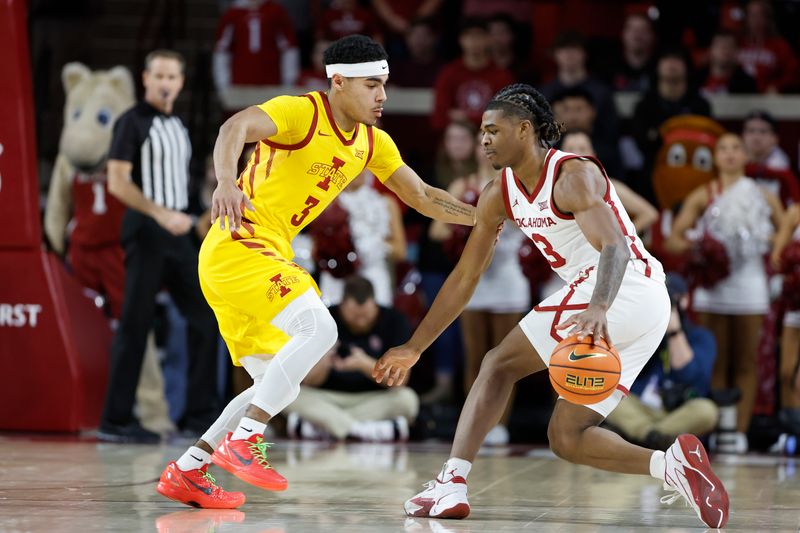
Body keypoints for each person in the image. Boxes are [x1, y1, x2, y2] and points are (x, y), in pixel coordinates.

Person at [373, 83, 729, 528]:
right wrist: (416, 346)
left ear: (524, 130)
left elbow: (614, 247)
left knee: (498, 364)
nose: (483, 139)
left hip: (621, 286)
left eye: (491, 130)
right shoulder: (498, 193)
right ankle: (674, 466)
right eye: (481, 132)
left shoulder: (572, 175)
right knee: (567, 437)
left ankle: (451, 483)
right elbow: (465, 278)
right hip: (642, 308)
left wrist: (599, 306)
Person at [155, 35, 476, 509]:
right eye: (372, 85)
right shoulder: (300, 112)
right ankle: (244, 441)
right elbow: (234, 127)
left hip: (262, 257)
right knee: (320, 329)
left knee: (278, 382)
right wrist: (226, 180)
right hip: (238, 246)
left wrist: (485, 217)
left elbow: (425, 197)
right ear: (338, 82)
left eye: (384, 85)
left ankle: (189, 469)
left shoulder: (372, 143)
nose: (382, 96)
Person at [99, 50, 220, 443]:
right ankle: (115, 420)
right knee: (136, 324)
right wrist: (158, 213)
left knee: (206, 318)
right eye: (159, 75)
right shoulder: (132, 122)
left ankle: (198, 415)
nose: (166, 82)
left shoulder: (179, 125)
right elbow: (117, 182)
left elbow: (178, 186)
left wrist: (192, 217)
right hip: (148, 230)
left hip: (178, 232)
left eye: (172, 76)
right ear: (145, 78)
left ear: (181, 82)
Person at [665, 133, 783, 452]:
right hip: (713, 288)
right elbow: (673, 238)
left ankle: (740, 430)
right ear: (715, 157)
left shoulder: (762, 195)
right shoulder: (703, 194)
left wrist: (764, 241)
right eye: (723, 149)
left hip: (751, 286)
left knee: (747, 359)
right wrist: (701, 247)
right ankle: (718, 429)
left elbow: (785, 235)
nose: (730, 154)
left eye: (736, 148)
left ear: (746, 156)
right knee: (715, 359)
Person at [430, 131, 529, 445]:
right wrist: (466, 225)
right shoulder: (464, 185)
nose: (486, 148)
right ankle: (474, 425)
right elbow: (436, 230)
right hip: (475, 279)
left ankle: (500, 424)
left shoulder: (519, 185)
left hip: (508, 278)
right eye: (481, 143)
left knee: (503, 360)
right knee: (474, 357)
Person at [285, 276, 418, 441]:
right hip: (327, 396)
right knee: (289, 396)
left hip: (372, 399)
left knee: (407, 399)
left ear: (374, 304)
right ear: (342, 305)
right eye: (355, 316)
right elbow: (308, 381)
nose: (361, 322)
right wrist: (326, 357)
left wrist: (363, 364)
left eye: (366, 315)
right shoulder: (324, 319)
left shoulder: (395, 321)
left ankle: (330, 427)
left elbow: (401, 380)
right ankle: (361, 430)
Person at [605, 273, 719, 451]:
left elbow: (689, 374)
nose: (666, 305)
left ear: (685, 300)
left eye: (671, 300)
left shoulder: (701, 337)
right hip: (640, 406)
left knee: (707, 410)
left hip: (679, 412)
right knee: (605, 395)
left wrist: (674, 331)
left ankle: (642, 436)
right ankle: (654, 437)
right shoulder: (643, 330)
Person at [559, 130, 658, 236]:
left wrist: (623, 239)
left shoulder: (610, 186)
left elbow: (649, 213)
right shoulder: (550, 189)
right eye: (570, 149)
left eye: (582, 149)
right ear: (559, 156)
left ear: (593, 154)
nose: (576, 154)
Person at [430, 19, 515, 131]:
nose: (474, 41)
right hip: (457, 138)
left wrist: (466, 117)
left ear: (489, 39)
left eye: (479, 36)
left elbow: (507, 118)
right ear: (460, 40)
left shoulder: (502, 75)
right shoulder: (449, 73)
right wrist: (485, 118)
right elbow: (438, 118)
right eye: (469, 36)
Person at [698, 30, 758, 97]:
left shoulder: (746, 83)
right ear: (711, 50)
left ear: (736, 51)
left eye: (729, 46)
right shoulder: (696, 79)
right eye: (719, 45)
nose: (724, 50)